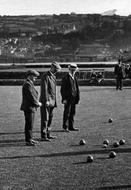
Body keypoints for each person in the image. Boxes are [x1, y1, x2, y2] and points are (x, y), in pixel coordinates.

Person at [40, 61, 61, 141]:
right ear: (52, 68)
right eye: (56, 69)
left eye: (57, 69)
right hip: (46, 101)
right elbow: (44, 90)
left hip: (52, 101)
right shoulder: (45, 76)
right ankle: (43, 136)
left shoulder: (53, 76)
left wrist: (53, 101)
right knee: (45, 119)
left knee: (50, 118)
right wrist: (46, 100)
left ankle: (48, 134)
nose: (57, 71)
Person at [20, 69, 42, 146]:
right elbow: (31, 96)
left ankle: (30, 139)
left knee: (30, 124)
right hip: (29, 107)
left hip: (30, 107)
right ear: (30, 76)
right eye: (35, 77)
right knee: (29, 124)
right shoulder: (27, 84)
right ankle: (28, 140)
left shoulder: (29, 83)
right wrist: (37, 103)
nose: (35, 78)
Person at [60, 63, 80, 132]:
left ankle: (71, 126)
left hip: (74, 98)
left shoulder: (75, 77)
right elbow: (62, 89)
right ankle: (65, 127)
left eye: (74, 70)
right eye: (72, 70)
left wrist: (77, 97)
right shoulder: (65, 78)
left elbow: (76, 88)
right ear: (69, 70)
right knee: (67, 112)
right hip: (68, 98)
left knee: (72, 112)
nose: (73, 71)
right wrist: (64, 99)